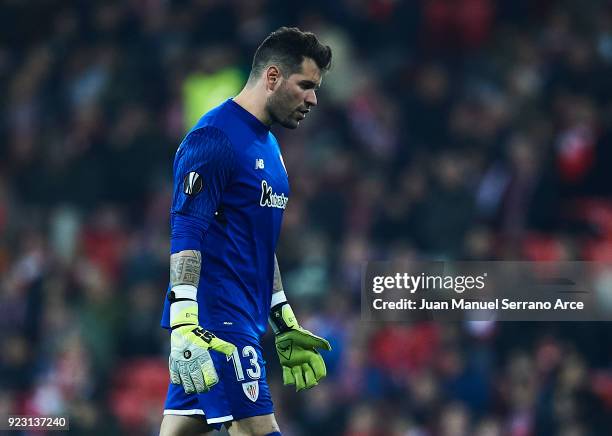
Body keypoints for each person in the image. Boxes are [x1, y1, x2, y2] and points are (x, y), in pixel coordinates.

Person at [159, 27, 333, 436]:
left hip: (241, 319)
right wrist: (184, 324)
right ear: (272, 77)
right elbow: (186, 229)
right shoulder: (215, 137)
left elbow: (257, 243)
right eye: (305, 85)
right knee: (258, 430)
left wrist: (284, 319)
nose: (313, 99)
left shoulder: (270, 148)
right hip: (217, 326)